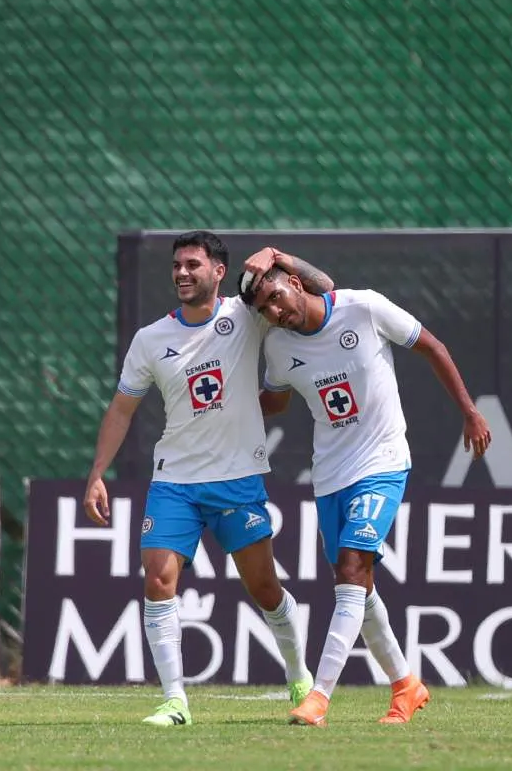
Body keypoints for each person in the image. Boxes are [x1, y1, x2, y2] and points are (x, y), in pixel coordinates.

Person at [83, 230, 335, 727]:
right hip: (174, 480)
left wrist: (278, 258)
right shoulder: (151, 339)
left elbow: (323, 288)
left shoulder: (247, 316)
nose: (182, 272)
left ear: (219, 272)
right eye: (177, 265)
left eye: (193, 265)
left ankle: (299, 672)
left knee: (264, 589)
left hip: (237, 479)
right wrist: (96, 474)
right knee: (158, 579)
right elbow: (121, 409)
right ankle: (175, 701)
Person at [242, 265, 492, 727]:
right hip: (330, 473)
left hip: (383, 461)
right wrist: (225, 404)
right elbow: (276, 402)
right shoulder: (277, 346)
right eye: (265, 310)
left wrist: (470, 411)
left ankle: (319, 697)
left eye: (277, 297)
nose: (275, 311)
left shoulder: (364, 307)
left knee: (353, 569)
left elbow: (432, 347)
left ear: (294, 283)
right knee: (356, 580)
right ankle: (406, 686)